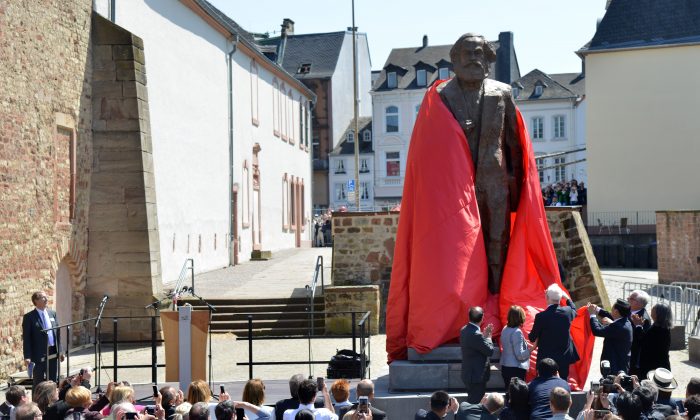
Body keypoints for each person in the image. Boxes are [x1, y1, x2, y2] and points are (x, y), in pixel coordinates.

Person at [529, 284, 578, 380]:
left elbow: (532, 338)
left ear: (547, 297)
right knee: (562, 384)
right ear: (560, 298)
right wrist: (566, 297)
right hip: (563, 358)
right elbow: (573, 308)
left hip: (546, 359)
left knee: (543, 383)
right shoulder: (567, 312)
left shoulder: (541, 316)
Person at [596, 290, 651, 376]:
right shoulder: (630, 310)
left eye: (631, 298)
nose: (627, 299)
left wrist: (612, 324)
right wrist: (598, 310)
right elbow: (617, 316)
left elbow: (634, 335)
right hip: (618, 352)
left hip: (629, 356)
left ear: (639, 304)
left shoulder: (644, 319)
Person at [23, 291, 64, 387]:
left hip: (53, 352)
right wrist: (27, 356)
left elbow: (57, 334)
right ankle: (36, 402)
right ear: (36, 301)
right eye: (43, 297)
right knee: (38, 382)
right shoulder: (29, 317)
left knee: (53, 380)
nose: (46, 299)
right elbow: (26, 338)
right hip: (38, 355)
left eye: (46, 297)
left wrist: (61, 351)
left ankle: (52, 401)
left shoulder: (52, 314)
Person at [587, 299, 633, 375]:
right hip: (619, 363)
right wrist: (597, 309)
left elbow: (597, 331)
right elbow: (611, 316)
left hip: (615, 367)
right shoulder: (624, 320)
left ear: (616, 311)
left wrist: (592, 315)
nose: (611, 310)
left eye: (612, 308)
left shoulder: (619, 327)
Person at [460, 307, 494, 404]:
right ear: (482, 317)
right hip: (476, 377)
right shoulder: (475, 334)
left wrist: (483, 336)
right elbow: (490, 351)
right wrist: (488, 337)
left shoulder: (464, 330)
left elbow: (476, 345)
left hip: (470, 374)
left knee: (473, 401)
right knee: (475, 404)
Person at [633, 302, 672, 378]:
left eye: (653, 309)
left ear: (659, 313)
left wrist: (638, 326)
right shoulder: (661, 327)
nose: (651, 310)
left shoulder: (659, 329)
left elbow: (643, 341)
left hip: (653, 368)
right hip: (656, 365)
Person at [500, 305, 534, 386]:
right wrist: (532, 348)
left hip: (506, 366)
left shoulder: (505, 329)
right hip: (515, 369)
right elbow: (520, 355)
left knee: (509, 394)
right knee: (517, 395)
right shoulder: (517, 332)